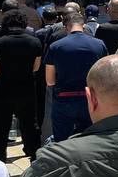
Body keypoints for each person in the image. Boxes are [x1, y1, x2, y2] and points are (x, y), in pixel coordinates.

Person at [0, 1, 43, 160]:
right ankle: (34, 157)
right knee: (29, 125)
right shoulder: (34, 41)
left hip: (2, 88)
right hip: (26, 89)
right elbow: (36, 68)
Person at [44, 11, 108, 142]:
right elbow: (105, 75)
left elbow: (50, 81)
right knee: (91, 140)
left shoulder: (55, 46)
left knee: (62, 142)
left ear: (65, 26)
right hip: (91, 98)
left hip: (64, 99)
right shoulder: (99, 44)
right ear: (84, 26)